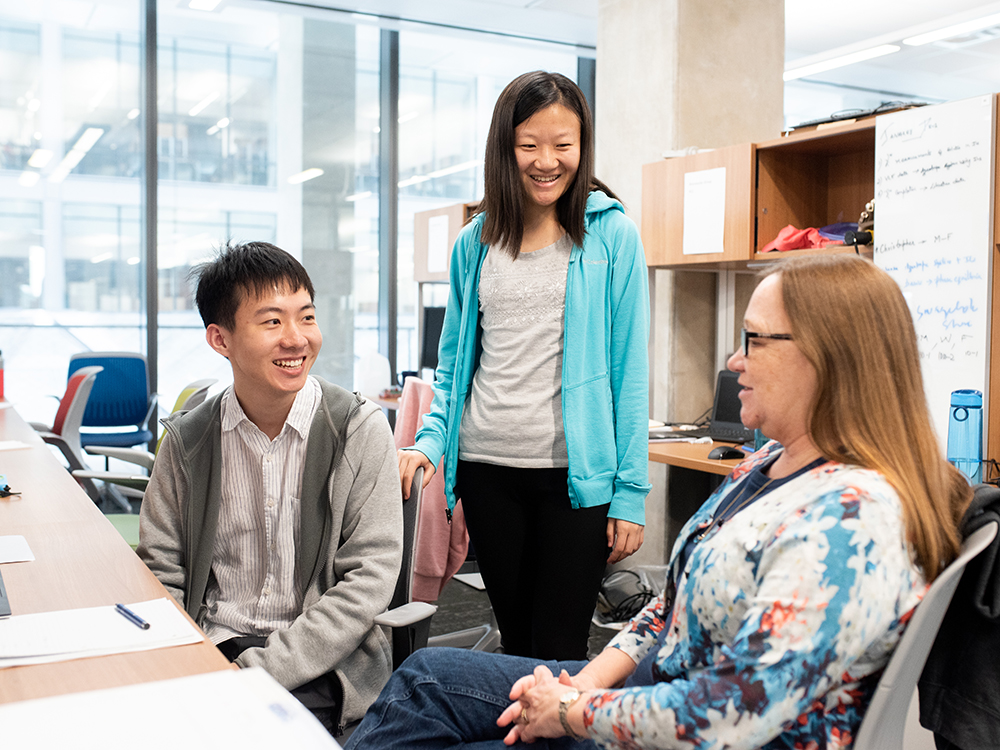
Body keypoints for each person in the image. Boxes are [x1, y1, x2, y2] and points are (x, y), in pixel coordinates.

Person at [346, 254, 971, 749]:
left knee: (429, 710)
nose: (733, 362)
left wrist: (574, 711)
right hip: (649, 698)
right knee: (425, 681)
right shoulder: (768, 467)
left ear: (827, 359)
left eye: (753, 341)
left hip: (683, 730)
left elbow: (732, 714)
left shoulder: (850, 521)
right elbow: (669, 609)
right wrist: (582, 683)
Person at [397, 70, 651, 661]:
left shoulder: (611, 236)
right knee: (515, 645)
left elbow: (628, 372)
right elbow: (455, 367)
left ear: (583, 147)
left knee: (560, 650)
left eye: (563, 145)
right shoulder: (475, 243)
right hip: (488, 470)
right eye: (529, 145)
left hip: (574, 478)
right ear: (504, 149)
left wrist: (630, 495)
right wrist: (431, 445)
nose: (547, 161)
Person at [137, 241, 403, 735]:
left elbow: (367, 583)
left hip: (323, 663)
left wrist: (254, 673)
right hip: (213, 648)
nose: (297, 339)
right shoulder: (188, 443)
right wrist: (189, 663)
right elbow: (161, 574)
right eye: (272, 321)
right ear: (221, 339)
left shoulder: (357, 429)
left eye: (306, 317)